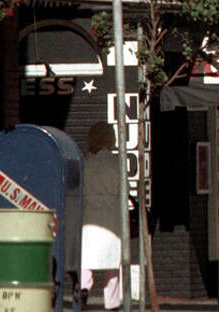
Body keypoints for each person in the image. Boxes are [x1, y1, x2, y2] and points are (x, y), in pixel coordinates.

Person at [81, 122, 123, 311]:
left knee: (86, 259)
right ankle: (112, 302)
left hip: (89, 217)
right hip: (111, 217)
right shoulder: (116, 163)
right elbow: (123, 190)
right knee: (112, 263)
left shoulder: (84, 162)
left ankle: (82, 290)